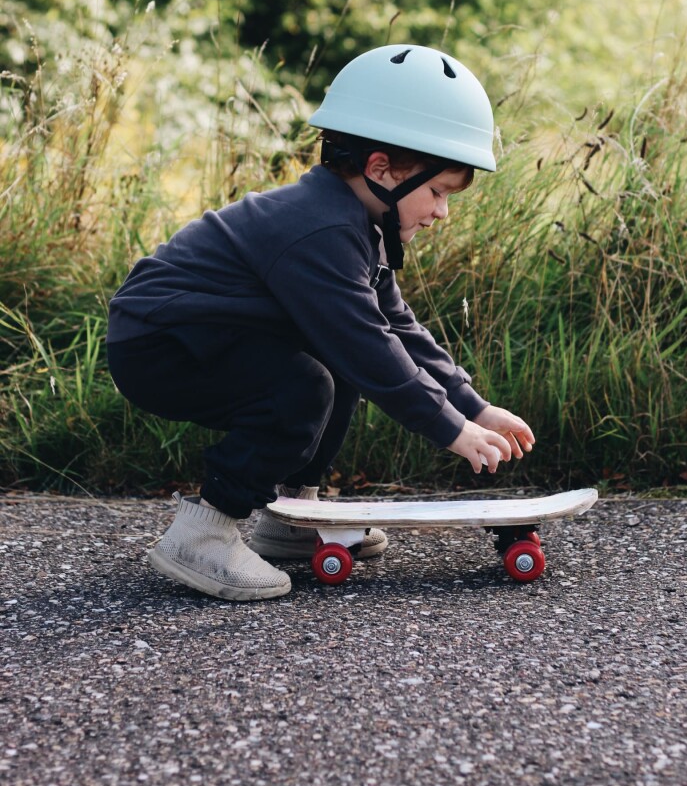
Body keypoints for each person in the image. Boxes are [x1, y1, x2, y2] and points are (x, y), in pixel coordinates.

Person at [106, 43, 535, 601]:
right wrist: (449, 428)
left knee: (332, 365)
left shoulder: (356, 225)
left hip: (210, 334)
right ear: (381, 169)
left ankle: (292, 517)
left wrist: (472, 405)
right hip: (160, 343)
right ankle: (204, 534)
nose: (441, 212)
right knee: (303, 386)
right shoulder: (322, 232)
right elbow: (369, 346)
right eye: (436, 192)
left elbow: (395, 327)